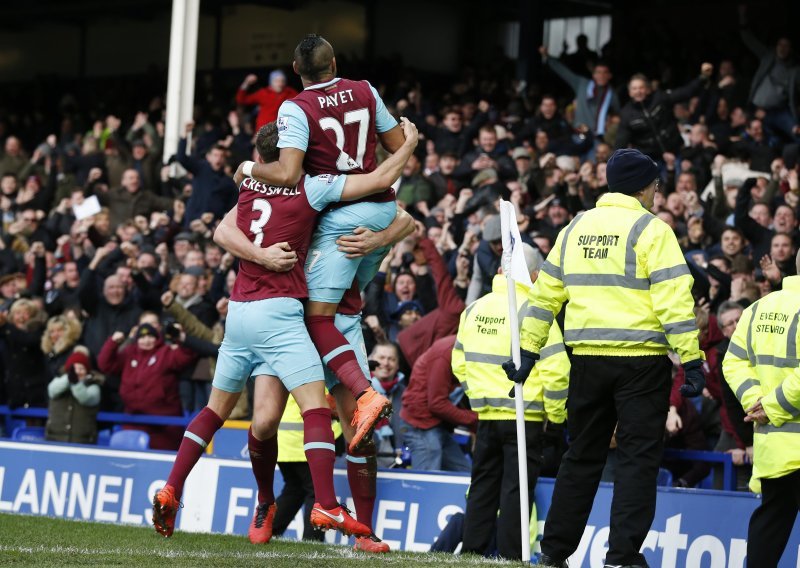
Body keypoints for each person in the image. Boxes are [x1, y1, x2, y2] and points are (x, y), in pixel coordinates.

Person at [152, 119, 417, 547]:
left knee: (357, 433)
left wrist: (376, 240)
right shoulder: (305, 186)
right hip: (290, 317)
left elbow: (406, 220)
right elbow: (223, 229)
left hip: (334, 317)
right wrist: (261, 252)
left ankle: (364, 533)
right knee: (265, 421)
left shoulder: (318, 183)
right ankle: (266, 501)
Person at [510, 148, 705, 568]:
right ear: (642, 185)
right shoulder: (653, 230)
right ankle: (621, 557)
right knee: (637, 461)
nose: (657, 192)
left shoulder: (575, 227)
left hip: (586, 362)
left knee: (581, 457)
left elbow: (544, 297)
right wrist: (691, 359)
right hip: (641, 363)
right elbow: (674, 302)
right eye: (655, 184)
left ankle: (554, 553)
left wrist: (528, 350)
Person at [236, 34, 408, 451]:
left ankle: (364, 396)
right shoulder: (365, 90)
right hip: (377, 211)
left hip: (336, 233)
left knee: (315, 324)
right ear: (335, 62)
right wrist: (382, 236)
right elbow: (397, 150)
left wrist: (246, 168)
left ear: (296, 71)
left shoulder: (297, 123)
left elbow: (289, 173)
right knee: (276, 420)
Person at [453, 243, 569, 561]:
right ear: (533, 275)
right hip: (525, 416)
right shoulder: (533, 309)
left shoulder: (474, 309)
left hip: (487, 414)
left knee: (482, 485)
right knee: (516, 489)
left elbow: (459, 362)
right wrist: (556, 418)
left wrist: (478, 395)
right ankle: (511, 555)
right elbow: (557, 370)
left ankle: (473, 550)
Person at [722, 250, 800, 567]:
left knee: (769, 530)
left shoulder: (757, 309)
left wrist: (758, 402)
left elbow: (733, 361)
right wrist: (770, 405)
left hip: (773, 448)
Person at [97, 323, 197, 450]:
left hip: (163, 425)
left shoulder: (166, 353)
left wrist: (180, 336)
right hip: (133, 420)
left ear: (157, 338)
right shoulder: (129, 352)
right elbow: (105, 364)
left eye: (150, 336)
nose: (146, 341)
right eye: (142, 337)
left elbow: (187, 354)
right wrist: (112, 343)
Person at [400, 335, 476, 472]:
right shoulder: (446, 353)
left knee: (465, 475)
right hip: (420, 423)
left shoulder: (466, 348)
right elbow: (437, 404)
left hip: (435, 424)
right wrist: (476, 419)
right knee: (426, 483)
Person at [539, 45, 620, 139]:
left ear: (609, 76)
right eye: (598, 72)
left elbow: (617, 116)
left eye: (604, 72)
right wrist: (548, 57)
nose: (601, 75)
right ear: (593, 75)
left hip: (598, 138)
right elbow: (564, 72)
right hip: (578, 135)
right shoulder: (582, 84)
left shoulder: (612, 94)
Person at [45, 347, 102, 444]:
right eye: (74, 368)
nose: (78, 372)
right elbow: (52, 390)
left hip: (83, 441)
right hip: (55, 439)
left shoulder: (93, 388)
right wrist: (68, 379)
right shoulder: (59, 381)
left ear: (87, 371)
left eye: (81, 368)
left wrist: (75, 383)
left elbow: (85, 398)